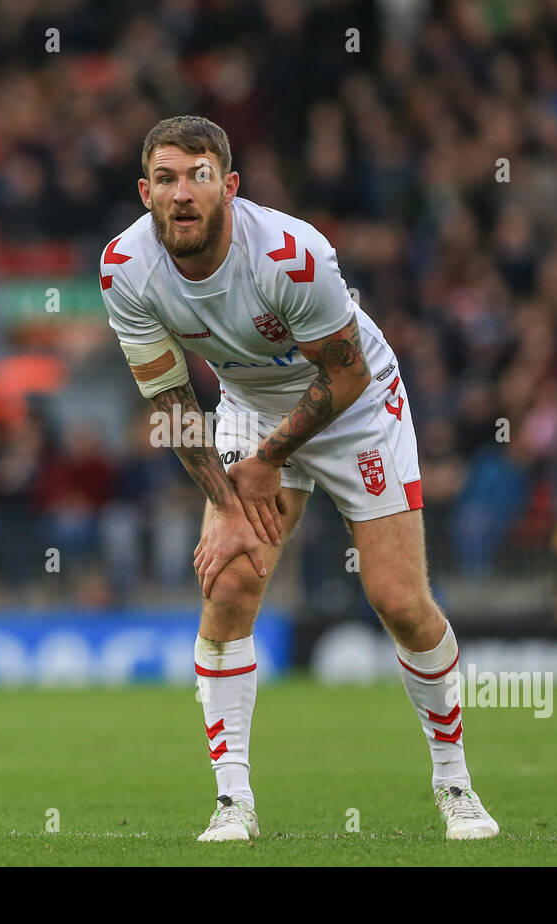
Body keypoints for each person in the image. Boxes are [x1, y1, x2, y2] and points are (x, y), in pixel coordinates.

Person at [100, 116, 498, 843]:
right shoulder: (124, 267)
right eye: (165, 178)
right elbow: (170, 399)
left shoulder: (291, 255)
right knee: (228, 586)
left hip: (355, 406)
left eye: (198, 176)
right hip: (250, 408)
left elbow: (345, 374)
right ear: (144, 190)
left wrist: (265, 463)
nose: (182, 194)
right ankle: (232, 804)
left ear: (230, 186)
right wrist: (222, 499)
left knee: (400, 601)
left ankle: (455, 782)